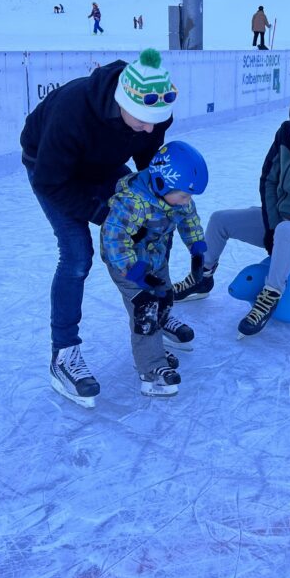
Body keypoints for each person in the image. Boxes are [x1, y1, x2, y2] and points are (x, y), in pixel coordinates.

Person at [20, 48, 177, 407]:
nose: (150, 128)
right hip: (53, 172)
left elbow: (148, 163)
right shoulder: (72, 112)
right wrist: (104, 214)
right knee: (77, 255)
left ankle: (156, 311)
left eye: (156, 121)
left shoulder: (152, 113)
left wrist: (157, 206)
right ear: (123, 102)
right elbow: (49, 182)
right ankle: (64, 354)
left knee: (150, 228)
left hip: (102, 164)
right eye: (143, 121)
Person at [172, 92, 290, 337]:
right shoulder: (284, 135)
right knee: (220, 220)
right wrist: (272, 227)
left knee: (287, 231)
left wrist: (280, 232)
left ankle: (271, 295)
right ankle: (202, 277)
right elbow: (268, 180)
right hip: (280, 224)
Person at [101, 142, 208, 398]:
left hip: (155, 259)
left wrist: (197, 250)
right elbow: (114, 242)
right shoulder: (132, 203)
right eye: (184, 195)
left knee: (165, 298)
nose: (187, 201)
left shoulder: (177, 196)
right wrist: (139, 276)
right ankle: (150, 368)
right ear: (161, 184)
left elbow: (189, 219)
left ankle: (155, 346)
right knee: (146, 311)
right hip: (126, 265)